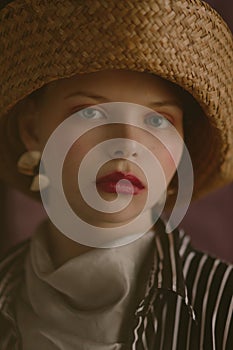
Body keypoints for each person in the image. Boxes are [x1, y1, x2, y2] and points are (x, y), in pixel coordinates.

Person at [0, 0, 232, 349]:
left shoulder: (224, 304)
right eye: (90, 113)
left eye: (157, 120)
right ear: (32, 130)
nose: (126, 144)